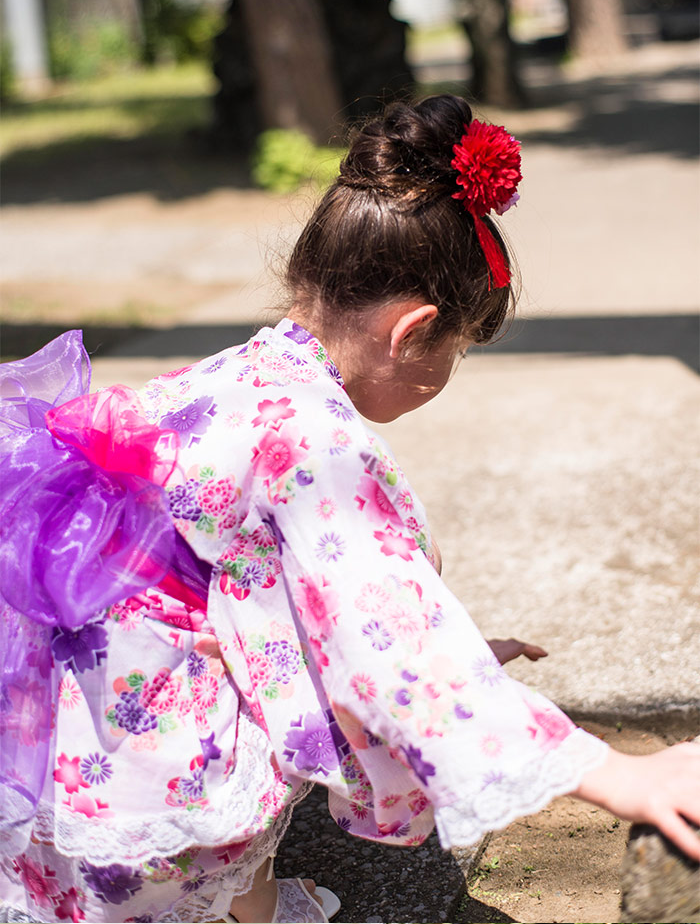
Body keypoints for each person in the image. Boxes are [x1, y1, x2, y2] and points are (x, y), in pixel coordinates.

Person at [0, 95, 698, 924]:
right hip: (153, 783)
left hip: (71, 728)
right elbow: (386, 631)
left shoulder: (242, 372)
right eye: (458, 349)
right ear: (414, 332)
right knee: (222, 819)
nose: (450, 371)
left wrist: (458, 647)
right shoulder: (317, 441)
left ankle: (242, 909)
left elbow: (276, 593)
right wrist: (613, 772)